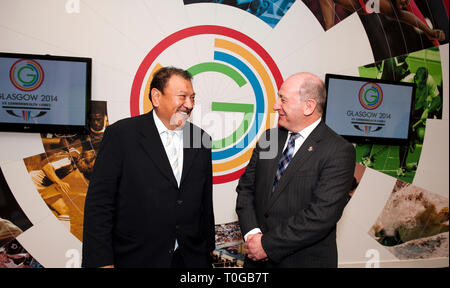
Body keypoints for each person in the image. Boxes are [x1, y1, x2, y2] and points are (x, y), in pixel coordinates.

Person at [82, 66, 215, 268]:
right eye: (182, 96)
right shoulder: (121, 135)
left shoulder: (201, 139)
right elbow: (100, 203)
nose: (189, 104)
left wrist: (206, 253)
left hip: (189, 260)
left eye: (193, 97)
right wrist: (101, 261)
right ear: (156, 97)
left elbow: (205, 203)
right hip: (136, 258)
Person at [236, 72, 356, 268]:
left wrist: (267, 245)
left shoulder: (338, 151)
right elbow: (246, 190)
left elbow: (321, 214)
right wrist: (252, 235)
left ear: (308, 106)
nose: (276, 105)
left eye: (283, 99)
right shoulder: (269, 139)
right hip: (256, 262)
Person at [319, 0, 445, 42]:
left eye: (405, 3)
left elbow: (403, 15)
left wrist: (429, 31)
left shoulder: (384, 6)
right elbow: (403, 15)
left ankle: (329, 32)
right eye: (405, 1)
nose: (404, 3)